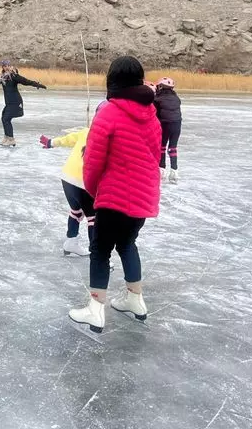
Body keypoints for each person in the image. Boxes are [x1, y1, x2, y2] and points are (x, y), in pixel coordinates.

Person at [68, 57, 161, 334]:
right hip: (143, 197)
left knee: (100, 249)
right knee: (128, 244)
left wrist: (95, 191)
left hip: (114, 197)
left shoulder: (108, 113)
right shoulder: (152, 113)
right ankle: (136, 300)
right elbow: (155, 156)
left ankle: (95, 310)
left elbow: (93, 162)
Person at [39, 128, 94, 256]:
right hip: (83, 181)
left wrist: (50, 142)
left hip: (67, 178)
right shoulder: (109, 136)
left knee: (76, 210)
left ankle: (71, 242)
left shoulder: (87, 131)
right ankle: (98, 256)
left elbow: (68, 139)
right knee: (93, 218)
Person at [154, 76, 182, 184]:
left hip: (165, 123)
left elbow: (155, 114)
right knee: (173, 147)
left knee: (162, 146)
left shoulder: (157, 99)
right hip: (177, 124)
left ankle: (162, 170)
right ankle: (174, 171)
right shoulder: (176, 98)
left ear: (161, 87)